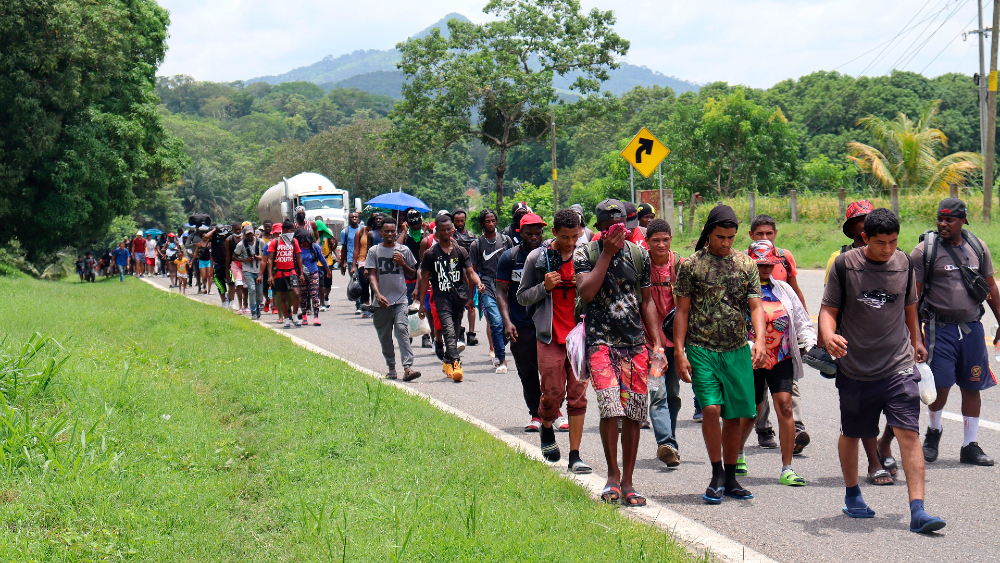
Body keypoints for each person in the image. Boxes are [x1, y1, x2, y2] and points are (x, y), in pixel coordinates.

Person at [819, 208, 945, 533]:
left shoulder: (904, 263)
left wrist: (916, 341)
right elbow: (828, 310)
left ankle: (918, 510)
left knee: (908, 432)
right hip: (856, 367)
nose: (887, 249)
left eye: (892, 242)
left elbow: (910, 307)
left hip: (898, 365)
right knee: (852, 432)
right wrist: (829, 335)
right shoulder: (845, 266)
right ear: (864, 238)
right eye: (879, 243)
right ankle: (852, 496)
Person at [673, 204, 767, 505]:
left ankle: (729, 476)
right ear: (708, 233)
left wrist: (761, 341)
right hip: (701, 349)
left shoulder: (747, 265)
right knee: (711, 409)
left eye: (730, 237)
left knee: (736, 415)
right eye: (719, 237)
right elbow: (682, 310)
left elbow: (755, 306)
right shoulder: (691, 265)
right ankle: (715, 473)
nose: (725, 243)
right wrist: (679, 351)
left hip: (737, 349)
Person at [575, 199, 662, 506]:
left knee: (635, 414)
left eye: (622, 224)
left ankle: (628, 481)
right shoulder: (586, 253)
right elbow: (586, 292)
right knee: (610, 407)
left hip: (635, 344)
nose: (618, 230)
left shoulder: (640, 255)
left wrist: (658, 344)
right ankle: (612, 476)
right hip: (600, 341)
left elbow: (647, 301)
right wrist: (608, 253)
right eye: (611, 225)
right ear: (599, 228)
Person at [913, 198, 999, 466]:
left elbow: (990, 290)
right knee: (939, 387)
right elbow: (912, 300)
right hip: (940, 329)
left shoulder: (977, 248)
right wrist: (914, 337)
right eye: (940, 218)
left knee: (972, 386)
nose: (943, 224)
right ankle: (933, 434)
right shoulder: (924, 251)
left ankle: (969, 446)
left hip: (973, 329)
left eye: (949, 219)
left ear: (963, 220)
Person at [519, 209, 591, 474]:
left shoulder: (586, 256)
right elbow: (522, 296)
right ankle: (547, 425)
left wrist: (583, 284)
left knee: (578, 395)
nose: (571, 242)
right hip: (549, 336)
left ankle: (575, 455)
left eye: (575, 235)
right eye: (564, 237)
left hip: (580, 336)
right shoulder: (537, 258)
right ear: (554, 233)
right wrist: (544, 287)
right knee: (552, 393)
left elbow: (597, 291)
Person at [739, 239, 815, 486]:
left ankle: (787, 468)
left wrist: (810, 344)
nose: (765, 269)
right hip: (750, 358)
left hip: (780, 357)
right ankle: (737, 452)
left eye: (770, 264)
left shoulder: (783, 289)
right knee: (752, 411)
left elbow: (801, 319)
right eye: (760, 264)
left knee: (785, 406)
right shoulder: (739, 290)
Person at [747, 214, 810, 452]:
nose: (765, 237)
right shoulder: (744, 262)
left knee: (787, 393)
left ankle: (796, 430)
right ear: (751, 236)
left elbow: (795, 293)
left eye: (769, 233)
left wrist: (805, 334)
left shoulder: (784, 258)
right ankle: (761, 430)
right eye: (760, 234)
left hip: (781, 344)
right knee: (756, 397)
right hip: (752, 347)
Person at [418, 214, 485, 383]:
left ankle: (447, 361)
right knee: (448, 329)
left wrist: (478, 283)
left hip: (458, 297)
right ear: (437, 232)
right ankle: (456, 364)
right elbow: (424, 279)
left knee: (454, 331)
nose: (446, 232)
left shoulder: (460, 251)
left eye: (449, 229)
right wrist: (421, 304)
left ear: (453, 230)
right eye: (442, 230)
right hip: (440, 297)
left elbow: (470, 272)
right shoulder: (430, 254)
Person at [497, 213, 546, 431]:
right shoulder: (509, 257)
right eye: (530, 233)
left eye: (538, 233)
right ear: (521, 233)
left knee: (552, 370)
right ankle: (536, 414)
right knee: (527, 371)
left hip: (546, 323)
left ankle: (554, 409)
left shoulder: (549, 254)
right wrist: (507, 322)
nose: (534, 237)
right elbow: (501, 291)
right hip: (520, 323)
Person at [643, 219, 684, 467]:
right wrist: (653, 345)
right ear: (647, 242)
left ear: (671, 240)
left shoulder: (678, 264)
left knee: (674, 394)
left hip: (674, 341)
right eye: (655, 240)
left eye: (665, 240)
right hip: (651, 343)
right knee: (657, 394)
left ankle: (671, 443)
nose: (661, 244)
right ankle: (665, 442)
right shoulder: (641, 264)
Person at [366, 218, 421, 381]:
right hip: (381, 301)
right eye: (386, 231)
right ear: (381, 232)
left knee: (402, 330)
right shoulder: (374, 251)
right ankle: (391, 367)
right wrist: (377, 294)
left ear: (396, 232)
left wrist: (402, 263)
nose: (390, 234)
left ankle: (408, 368)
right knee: (385, 337)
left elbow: (412, 273)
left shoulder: (403, 250)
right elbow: (372, 274)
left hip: (400, 299)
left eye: (392, 231)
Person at [471, 208, 514, 373]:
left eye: (493, 220)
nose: (491, 223)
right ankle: (501, 358)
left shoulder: (506, 240)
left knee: (509, 323)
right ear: (482, 224)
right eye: (487, 221)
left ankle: (499, 346)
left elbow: (513, 262)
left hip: (506, 286)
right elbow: (472, 270)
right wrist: (477, 285)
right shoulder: (477, 244)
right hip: (487, 286)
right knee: (495, 322)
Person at [398, 209, 431, 348]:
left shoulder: (425, 235)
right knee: (407, 307)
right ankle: (409, 335)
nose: (416, 230)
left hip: (424, 274)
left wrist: (426, 231)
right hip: (407, 275)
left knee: (424, 306)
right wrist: (404, 231)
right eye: (413, 228)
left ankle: (426, 336)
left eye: (418, 227)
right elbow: (397, 247)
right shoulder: (405, 236)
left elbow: (431, 247)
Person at [266, 220, 306, 328]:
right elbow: (269, 259)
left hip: (292, 272)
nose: (292, 233)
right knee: (282, 297)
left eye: (293, 231)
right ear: (284, 230)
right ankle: (287, 319)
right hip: (279, 273)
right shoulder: (275, 242)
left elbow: (298, 258)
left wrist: (301, 273)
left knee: (296, 293)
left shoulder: (294, 241)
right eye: (290, 230)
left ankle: (295, 316)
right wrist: (270, 275)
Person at [452, 209, 479, 346]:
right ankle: (460, 330)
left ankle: (471, 333)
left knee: (471, 303)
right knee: (458, 305)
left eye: (462, 220)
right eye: (457, 221)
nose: (459, 223)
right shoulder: (451, 236)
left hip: (470, 273)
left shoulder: (472, 236)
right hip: (456, 275)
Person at [354, 213, 384, 318]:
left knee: (376, 286)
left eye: (381, 218)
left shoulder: (388, 233)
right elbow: (368, 250)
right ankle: (366, 306)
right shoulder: (371, 233)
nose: (379, 220)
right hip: (370, 262)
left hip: (383, 263)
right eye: (377, 219)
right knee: (365, 283)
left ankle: (376, 307)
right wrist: (367, 266)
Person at [297, 231, 330, 326]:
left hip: (314, 273)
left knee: (314, 295)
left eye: (307, 241)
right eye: (304, 242)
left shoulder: (315, 247)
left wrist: (328, 269)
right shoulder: (298, 249)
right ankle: (304, 316)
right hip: (302, 274)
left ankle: (316, 317)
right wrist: (300, 274)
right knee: (303, 296)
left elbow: (322, 259)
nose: (306, 243)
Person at [233, 225, 263, 319]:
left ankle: (257, 307)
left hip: (258, 269)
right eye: (248, 234)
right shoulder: (241, 245)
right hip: (247, 269)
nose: (250, 235)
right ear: (245, 235)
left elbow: (267, 255)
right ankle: (253, 311)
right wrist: (245, 260)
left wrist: (260, 258)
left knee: (259, 291)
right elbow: (234, 256)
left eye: (251, 233)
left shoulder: (260, 242)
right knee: (252, 289)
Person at [341, 211, 362, 313]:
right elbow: (344, 248)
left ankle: (364, 303)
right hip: (350, 260)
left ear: (358, 218)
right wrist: (342, 263)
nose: (354, 218)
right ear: (349, 219)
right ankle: (358, 306)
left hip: (362, 260)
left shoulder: (363, 229)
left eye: (355, 217)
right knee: (356, 282)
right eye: (352, 217)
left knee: (363, 282)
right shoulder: (345, 232)